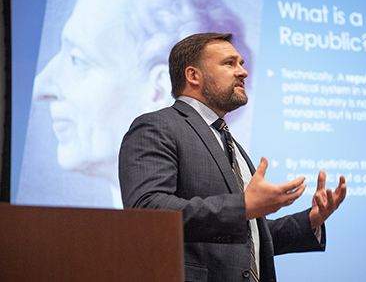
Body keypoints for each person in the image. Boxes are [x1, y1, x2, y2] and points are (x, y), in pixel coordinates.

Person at [119, 33, 347, 282]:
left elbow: (249, 236)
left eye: (241, 63)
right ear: (193, 75)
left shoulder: (230, 142)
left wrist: (311, 220)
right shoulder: (158, 126)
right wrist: (243, 207)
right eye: (229, 63)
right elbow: (148, 211)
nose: (243, 72)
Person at [30, 0, 253, 208]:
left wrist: (300, 226)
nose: (40, 86)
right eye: (230, 64)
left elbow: (248, 237)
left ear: (157, 89)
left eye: (77, 60)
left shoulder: (231, 149)